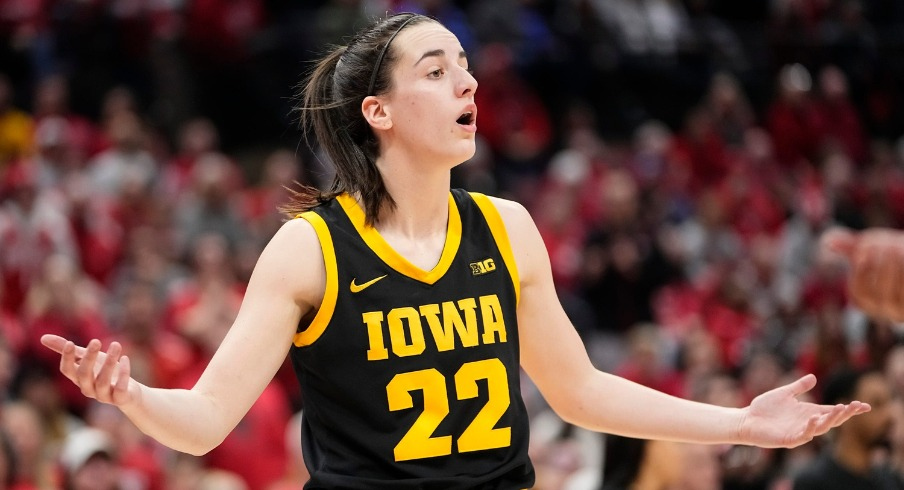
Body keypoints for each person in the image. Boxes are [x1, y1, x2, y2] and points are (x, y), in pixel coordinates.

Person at [40, 12, 870, 489]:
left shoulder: (507, 228)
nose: (469, 84)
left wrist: (743, 424)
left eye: (466, 67)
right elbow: (205, 423)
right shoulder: (310, 249)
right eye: (437, 72)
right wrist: (131, 395)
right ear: (378, 112)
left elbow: (579, 390)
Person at [792, 368, 901, 490]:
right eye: (877, 404)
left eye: (889, 402)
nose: (889, 415)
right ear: (844, 412)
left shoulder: (891, 479)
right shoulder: (813, 483)